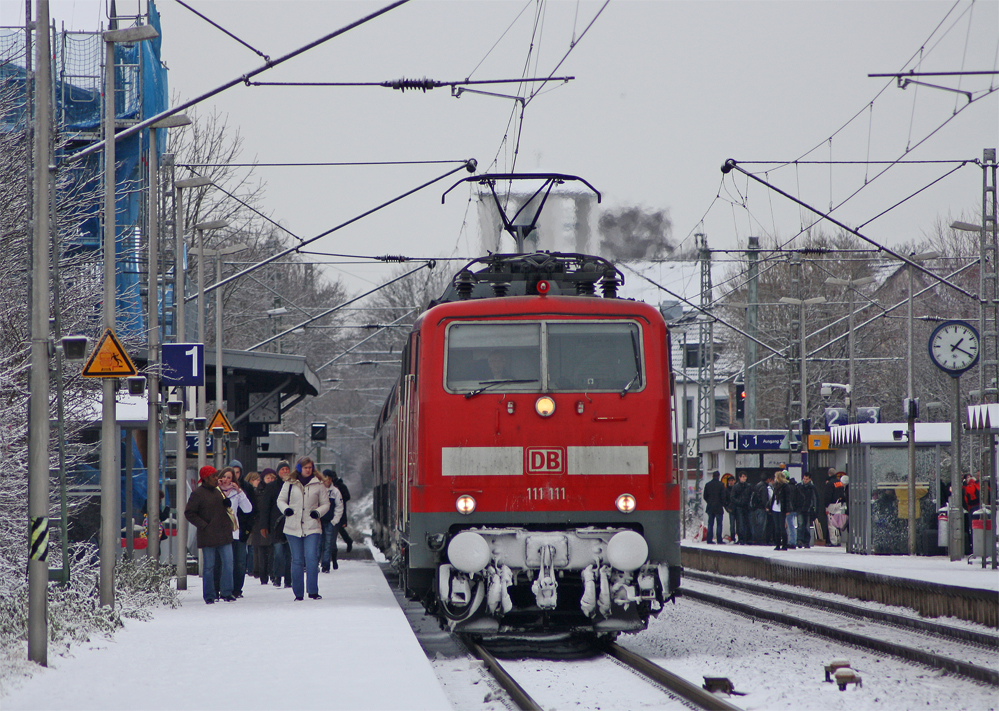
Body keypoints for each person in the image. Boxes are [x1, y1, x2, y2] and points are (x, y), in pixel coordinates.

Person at [278, 456, 329, 600]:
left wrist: (318, 512)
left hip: (312, 525)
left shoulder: (318, 484)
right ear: (300, 468)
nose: (308, 470)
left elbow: (326, 503)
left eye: (310, 467)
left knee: (312, 558)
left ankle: (313, 590)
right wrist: (286, 509)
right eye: (305, 467)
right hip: (293, 525)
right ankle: (298, 593)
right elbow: (280, 500)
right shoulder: (289, 483)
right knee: (297, 560)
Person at [184, 465, 235, 604]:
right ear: (205, 478)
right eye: (213, 476)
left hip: (224, 533)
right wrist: (204, 525)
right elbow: (189, 513)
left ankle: (227, 592)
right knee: (209, 566)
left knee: (228, 563)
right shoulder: (198, 494)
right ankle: (210, 595)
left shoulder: (218, 491)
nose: (216, 479)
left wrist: (226, 503)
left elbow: (221, 509)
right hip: (208, 535)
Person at [217, 467, 253, 598]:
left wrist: (240, 492)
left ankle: (234, 589)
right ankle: (220, 589)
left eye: (229, 478)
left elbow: (248, 509)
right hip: (219, 531)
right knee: (222, 562)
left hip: (234, 531)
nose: (226, 480)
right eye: (224, 477)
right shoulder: (215, 491)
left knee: (236, 562)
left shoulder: (236, 493)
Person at [250, 468, 277, 584]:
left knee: (273, 551)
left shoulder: (277, 490)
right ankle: (263, 576)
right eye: (268, 478)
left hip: (273, 524)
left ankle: (273, 574)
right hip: (259, 524)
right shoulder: (256, 492)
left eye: (272, 478)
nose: (270, 480)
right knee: (261, 552)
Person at [271, 462, 293, 587]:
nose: (285, 471)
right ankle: (277, 577)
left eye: (287, 469)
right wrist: (265, 526)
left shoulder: (294, 485)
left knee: (290, 554)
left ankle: (288, 580)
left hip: (291, 523)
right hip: (276, 525)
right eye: (282, 469)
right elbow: (266, 507)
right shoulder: (272, 487)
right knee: (278, 553)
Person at [319, 469, 345, 572]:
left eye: (329, 479)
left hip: (330, 521)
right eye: (326, 478)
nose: (328, 481)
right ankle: (315, 564)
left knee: (328, 544)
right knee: (318, 544)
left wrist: (334, 521)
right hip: (318, 521)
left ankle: (325, 565)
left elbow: (339, 507)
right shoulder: (318, 490)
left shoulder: (335, 492)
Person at [332, 471, 354, 553]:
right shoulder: (339, 485)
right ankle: (348, 541)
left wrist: (339, 499)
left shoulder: (340, 486)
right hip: (336, 509)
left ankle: (348, 541)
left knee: (338, 528)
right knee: (339, 529)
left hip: (339, 509)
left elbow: (347, 496)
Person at [703, 471, 725, 544]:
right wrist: (722, 503)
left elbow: (705, 496)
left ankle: (709, 539)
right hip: (718, 507)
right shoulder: (721, 485)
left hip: (710, 507)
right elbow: (723, 497)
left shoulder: (708, 485)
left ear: (712, 476)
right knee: (719, 524)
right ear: (719, 476)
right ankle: (719, 539)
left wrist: (709, 502)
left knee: (710, 524)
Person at [769, 470, 789, 551]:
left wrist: (787, 509)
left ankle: (784, 544)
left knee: (782, 527)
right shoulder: (775, 486)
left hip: (781, 508)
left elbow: (787, 499)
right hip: (775, 508)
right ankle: (777, 544)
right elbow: (773, 498)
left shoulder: (785, 486)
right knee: (776, 527)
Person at [797, 472, 818, 548]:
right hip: (800, 509)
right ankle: (799, 540)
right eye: (804, 478)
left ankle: (806, 542)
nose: (805, 480)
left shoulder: (812, 488)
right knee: (801, 525)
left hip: (808, 509)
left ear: (810, 479)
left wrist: (814, 510)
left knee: (806, 526)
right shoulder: (799, 486)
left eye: (806, 479)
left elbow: (815, 500)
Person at [731, 472, 752, 545]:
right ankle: (741, 538)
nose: (744, 478)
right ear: (739, 477)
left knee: (747, 523)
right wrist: (739, 502)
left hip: (746, 507)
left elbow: (751, 495)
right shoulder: (736, 487)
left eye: (745, 476)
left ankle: (746, 538)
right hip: (739, 507)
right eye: (743, 476)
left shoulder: (748, 486)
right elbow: (733, 497)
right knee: (740, 523)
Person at [722, 474, 737, 543]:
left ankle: (740, 538)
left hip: (738, 508)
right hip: (731, 509)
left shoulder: (737, 488)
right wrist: (727, 508)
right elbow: (724, 500)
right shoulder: (726, 490)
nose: (731, 482)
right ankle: (733, 538)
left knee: (740, 524)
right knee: (732, 525)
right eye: (729, 481)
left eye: (732, 481)